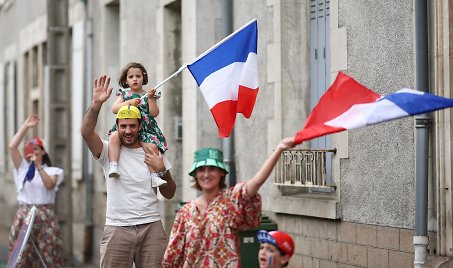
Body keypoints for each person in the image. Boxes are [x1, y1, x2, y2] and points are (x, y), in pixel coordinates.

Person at [81, 75, 177, 268]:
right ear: (117, 127)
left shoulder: (153, 151)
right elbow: (86, 132)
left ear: (140, 126)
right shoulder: (108, 151)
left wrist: (162, 171)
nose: (128, 130)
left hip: (152, 226)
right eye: (123, 126)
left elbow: (170, 193)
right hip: (117, 227)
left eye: (132, 125)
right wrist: (96, 105)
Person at [162, 137, 296, 267]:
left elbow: (256, 182)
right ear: (195, 174)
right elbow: (172, 255)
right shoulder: (185, 213)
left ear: (221, 172)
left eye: (212, 169)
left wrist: (278, 150)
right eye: (201, 170)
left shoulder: (231, 201)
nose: (206, 174)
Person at [7, 115, 64, 267]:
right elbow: (12, 146)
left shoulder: (53, 171)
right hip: (24, 214)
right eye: (30, 149)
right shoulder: (22, 169)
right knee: (21, 255)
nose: (33, 151)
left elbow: (50, 185)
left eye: (36, 148)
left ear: (43, 151)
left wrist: (38, 166)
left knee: (48, 253)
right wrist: (26, 126)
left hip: (45, 215)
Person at [108, 62, 168, 190]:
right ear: (126, 80)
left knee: (152, 147)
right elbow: (114, 109)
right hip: (128, 127)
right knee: (114, 137)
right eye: (131, 77)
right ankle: (113, 165)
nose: (135, 79)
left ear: (143, 78)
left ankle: (154, 176)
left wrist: (151, 99)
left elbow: (154, 113)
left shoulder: (147, 95)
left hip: (146, 128)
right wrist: (128, 103)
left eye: (138, 76)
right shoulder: (124, 94)